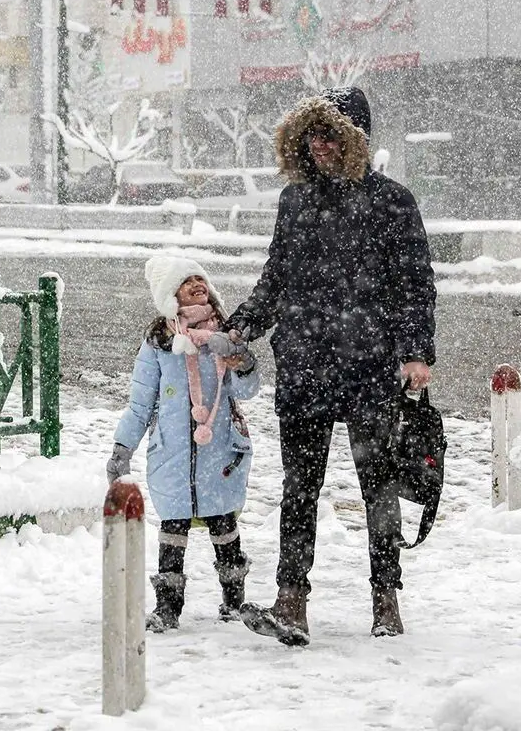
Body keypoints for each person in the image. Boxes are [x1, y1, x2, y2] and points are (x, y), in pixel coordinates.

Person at [225, 86, 437, 646]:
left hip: (371, 367)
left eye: (330, 135)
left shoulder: (393, 202)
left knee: (379, 488)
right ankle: (291, 599)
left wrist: (416, 352)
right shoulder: (295, 202)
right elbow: (277, 276)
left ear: (353, 141)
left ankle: (386, 597)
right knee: (299, 487)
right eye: (310, 136)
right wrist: (244, 324)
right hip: (305, 365)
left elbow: (415, 286)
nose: (318, 146)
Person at [108, 255, 260, 632]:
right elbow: (141, 402)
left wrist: (241, 361)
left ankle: (233, 600)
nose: (197, 284)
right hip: (173, 452)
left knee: (223, 523)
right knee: (173, 528)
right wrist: (123, 446)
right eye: (186, 281)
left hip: (220, 447)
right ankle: (168, 607)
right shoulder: (159, 342)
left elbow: (247, 389)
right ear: (169, 295)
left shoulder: (225, 334)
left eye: (199, 278)